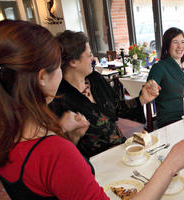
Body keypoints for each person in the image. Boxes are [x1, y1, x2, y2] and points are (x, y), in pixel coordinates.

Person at [0, 20, 184, 200]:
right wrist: (171, 165)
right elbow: (58, 164)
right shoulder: (55, 149)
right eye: (57, 65)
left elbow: (48, 185)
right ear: (43, 77)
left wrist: (69, 137)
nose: (94, 58)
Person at [49, 30, 160, 158]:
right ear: (73, 62)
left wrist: (142, 98)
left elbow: (118, 108)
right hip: (94, 162)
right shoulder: (59, 97)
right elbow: (61, 149)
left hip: (121, 150)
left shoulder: (95, 79)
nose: (93, 58)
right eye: (89, 54)